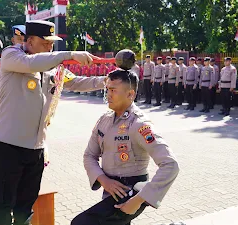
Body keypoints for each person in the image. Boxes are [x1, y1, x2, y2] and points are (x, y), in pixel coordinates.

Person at [0, 20, 108, 225]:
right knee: (2, 204)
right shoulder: (11, 55)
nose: (50, 47)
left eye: (52, 43)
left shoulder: (52, 68)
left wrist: (107, 80)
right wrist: (69, 54)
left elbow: (77, 82)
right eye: (46, 42)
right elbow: (31, 64)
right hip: (7, 145)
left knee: (26, 205)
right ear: (30, 41)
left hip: (35, 147)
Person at [71, 62, 179, 225]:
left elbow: (170, 165)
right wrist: (103, 180)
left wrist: (137, 201)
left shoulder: (139, 124)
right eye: (107, 89)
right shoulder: (104, 120)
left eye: (113, 90)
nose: (108, 94)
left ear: (130, 94)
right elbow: (89, 155)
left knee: (81, 223)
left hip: (131, 191)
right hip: (110, 190)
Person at [0, 25, 26, 117]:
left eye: (24, 40)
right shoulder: (4, 60)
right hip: (8, 109)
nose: (22, 43)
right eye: (19, 39)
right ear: (13, 41)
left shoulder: (33, 60)